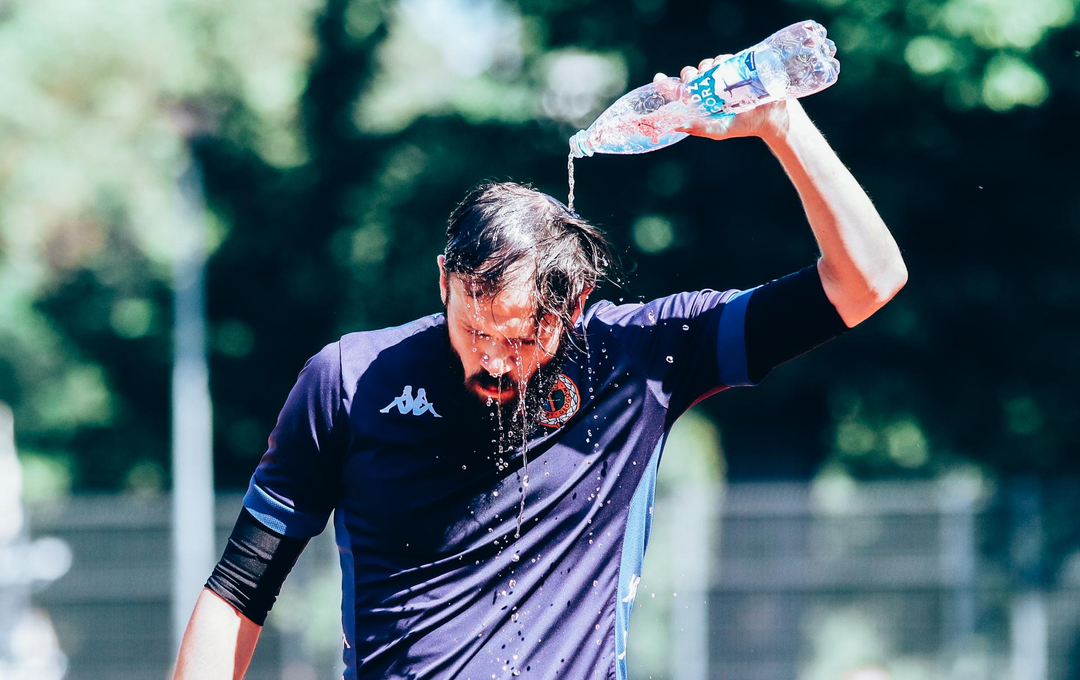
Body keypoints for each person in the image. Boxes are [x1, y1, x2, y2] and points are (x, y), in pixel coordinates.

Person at [171, 55, 907, 680]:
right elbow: (240, 588)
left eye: (523, 339)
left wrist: (783, 126)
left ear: (575, 305)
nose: (495, 358)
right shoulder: (348, 381)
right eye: (475, 329)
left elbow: (867, 280)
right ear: (443, 282)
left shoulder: (639, 359)